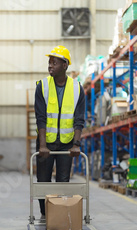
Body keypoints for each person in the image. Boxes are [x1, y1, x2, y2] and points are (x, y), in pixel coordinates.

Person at [35, 45, 85, 219]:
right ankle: (45, 215)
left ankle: (60, 216)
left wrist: (76, 144)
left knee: (63, 182)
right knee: (43, 182)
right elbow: (40, 117)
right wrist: (42, 145)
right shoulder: (42, 86)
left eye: (54, 62)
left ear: (65, 65)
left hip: (67, 144)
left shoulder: (77, 88)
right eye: (49, 62)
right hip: (46, 143)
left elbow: (79, 119)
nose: (50, 66)